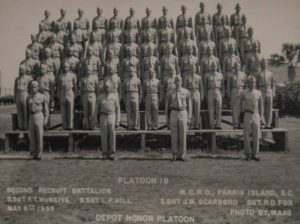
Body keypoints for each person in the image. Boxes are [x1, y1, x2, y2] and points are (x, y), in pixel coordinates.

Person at [165, 75, 191, 161]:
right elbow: (166, 107)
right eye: (176, 81)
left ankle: (182, 154)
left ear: (182, 82)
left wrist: (189, 117)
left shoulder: (186, 92)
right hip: (173, 112)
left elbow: (189, 105)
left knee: (183, 133)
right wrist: (167, 118)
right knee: (174, 134)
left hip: (183, 112)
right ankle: (174, 154)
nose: (178, 82)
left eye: (179, 81)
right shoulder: (170, 92)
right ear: (174, 82)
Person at [93, 81, 120, 160]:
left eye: (108, 87)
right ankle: (104, 153)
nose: (107, 89)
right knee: (104, 135)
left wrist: (118, 120)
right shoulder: (100, 97)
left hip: (112, 115)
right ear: (104, 88)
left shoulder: (115, 97)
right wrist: (96, 121)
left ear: (111, 88)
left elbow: (118, 109)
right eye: (106, 88)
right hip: (103, 116)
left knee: (112, 134)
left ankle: (112, 153)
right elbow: (96, 110)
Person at [239, 76, 264, 161]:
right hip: (247, 114)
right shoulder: (243, 92)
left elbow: (261, 106)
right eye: (250, 82)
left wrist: (261, 116)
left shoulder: (258, 93)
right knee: (246, 135)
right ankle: (248, 154)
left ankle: (255, 154)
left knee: (256, 135)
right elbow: (239, 105)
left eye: (253, 82)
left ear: (255, 83)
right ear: (247, 83)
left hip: (256, 114)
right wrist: (240, 116)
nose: (252, 84)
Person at [27, 81, 49, 160]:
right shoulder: (28, 97)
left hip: (39, 115)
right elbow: (26, 110)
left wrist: (46, 119)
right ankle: (32, 153)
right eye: (31, 87)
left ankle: (39, 154)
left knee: (39, 136)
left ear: (38, 87)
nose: (33, 88)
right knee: (32, 136)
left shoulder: (42, 97)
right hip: (31, 116)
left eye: (34, 87)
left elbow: (46, 110)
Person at [204, 62, 224, 129]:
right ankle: (211, 124)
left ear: (217, 67)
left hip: (218, 91)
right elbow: (205, 86)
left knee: (219, 108)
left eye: (215, 66)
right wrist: (205, 94)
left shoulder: (220, 75)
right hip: (210, 90)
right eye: (212, 66)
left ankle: (218, 125)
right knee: (211, 109)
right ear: (210, 67)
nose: (214, 68)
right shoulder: (207, 75)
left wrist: (223, 92)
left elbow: (223, 85)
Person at [183, 64, 204, 129]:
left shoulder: (199, 77)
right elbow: (185, 87)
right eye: (191, 68)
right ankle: (191, 124)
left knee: (197, 109)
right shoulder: (187, 77)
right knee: (190, 109)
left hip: (197, 92)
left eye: (194, 68)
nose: (192, 70)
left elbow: (201, 87)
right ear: (189, 69)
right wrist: (185, 97)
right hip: (189, 92)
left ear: (195, 69)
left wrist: (202, 95)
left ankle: (197, 124)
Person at [57, 62, 77, 130]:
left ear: (69, 68)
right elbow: (58, 86)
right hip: (63, 92)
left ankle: (70, 126)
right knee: (63, 111)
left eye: (67, 66)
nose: (65, 68)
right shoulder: (60, 76)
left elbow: (75, 85)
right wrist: (58, 94)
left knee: (70, 110)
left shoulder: (73, 75)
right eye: (64, 66)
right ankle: (64, 126)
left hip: (70, 92)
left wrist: (75, 93)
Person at [256, 59, 275, 129]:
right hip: (261, 89)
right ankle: (262, 123)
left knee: (269, 108)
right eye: (263, 63)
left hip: (269, 89)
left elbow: (273, 84)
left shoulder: (270, 73)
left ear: (267, 64)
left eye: (266, 63)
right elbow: (256, 85)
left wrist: (273, 92)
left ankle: (268, 124)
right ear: (261, 64)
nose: (264, 64)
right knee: (261, 107)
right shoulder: (258, 73)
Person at [227, 62, 247, 129]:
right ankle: (235, 124)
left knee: (242, 108)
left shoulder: (243, 74)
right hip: (234, 90)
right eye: (235, 66)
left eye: (238, 66)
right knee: (235, 109)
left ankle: (241, 124)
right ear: (233, 67)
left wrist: (246, 94)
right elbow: (229, 86)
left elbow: (246, 85)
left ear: (240, 66)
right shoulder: (231, 75)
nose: (236, 67)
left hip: (241, 90)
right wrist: (229, 95)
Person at [14, 64, 33, 130]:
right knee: (19, 111)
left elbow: (31, 89)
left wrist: (30, 97)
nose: (21, 71)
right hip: (18, 94)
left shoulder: (29, 78)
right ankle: (20, 125)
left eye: (22, 69)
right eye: (20, 69)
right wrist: (15, 97)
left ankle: (26, 125)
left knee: (25, 110)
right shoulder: (17, 79)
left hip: (25, 94)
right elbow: (15, 89)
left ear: (25, 70)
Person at [36, 64, 55, 129]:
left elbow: (52, 88)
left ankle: (47, 125)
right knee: (40, 110)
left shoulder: (49, 78)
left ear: (46, 70)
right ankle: (41, 125)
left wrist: (52, 96)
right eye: (41, 69)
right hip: (39, 94)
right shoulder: (38, 78)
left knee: (46, 110)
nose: (42, 70)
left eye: (43, 69)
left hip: (46, 93)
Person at [81, 65, 99, 130]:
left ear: (92, 71)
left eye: (89, 70)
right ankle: (86, 125)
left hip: (92, 93)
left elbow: (97, 88)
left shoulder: (95, 78)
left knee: (93, 111)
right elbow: (81, 89)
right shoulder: (83, 78)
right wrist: (81, 96)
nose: (88, 71)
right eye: (87, 70)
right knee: (85, 111)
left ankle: (93, 125)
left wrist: (97, 96)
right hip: (85, 93)